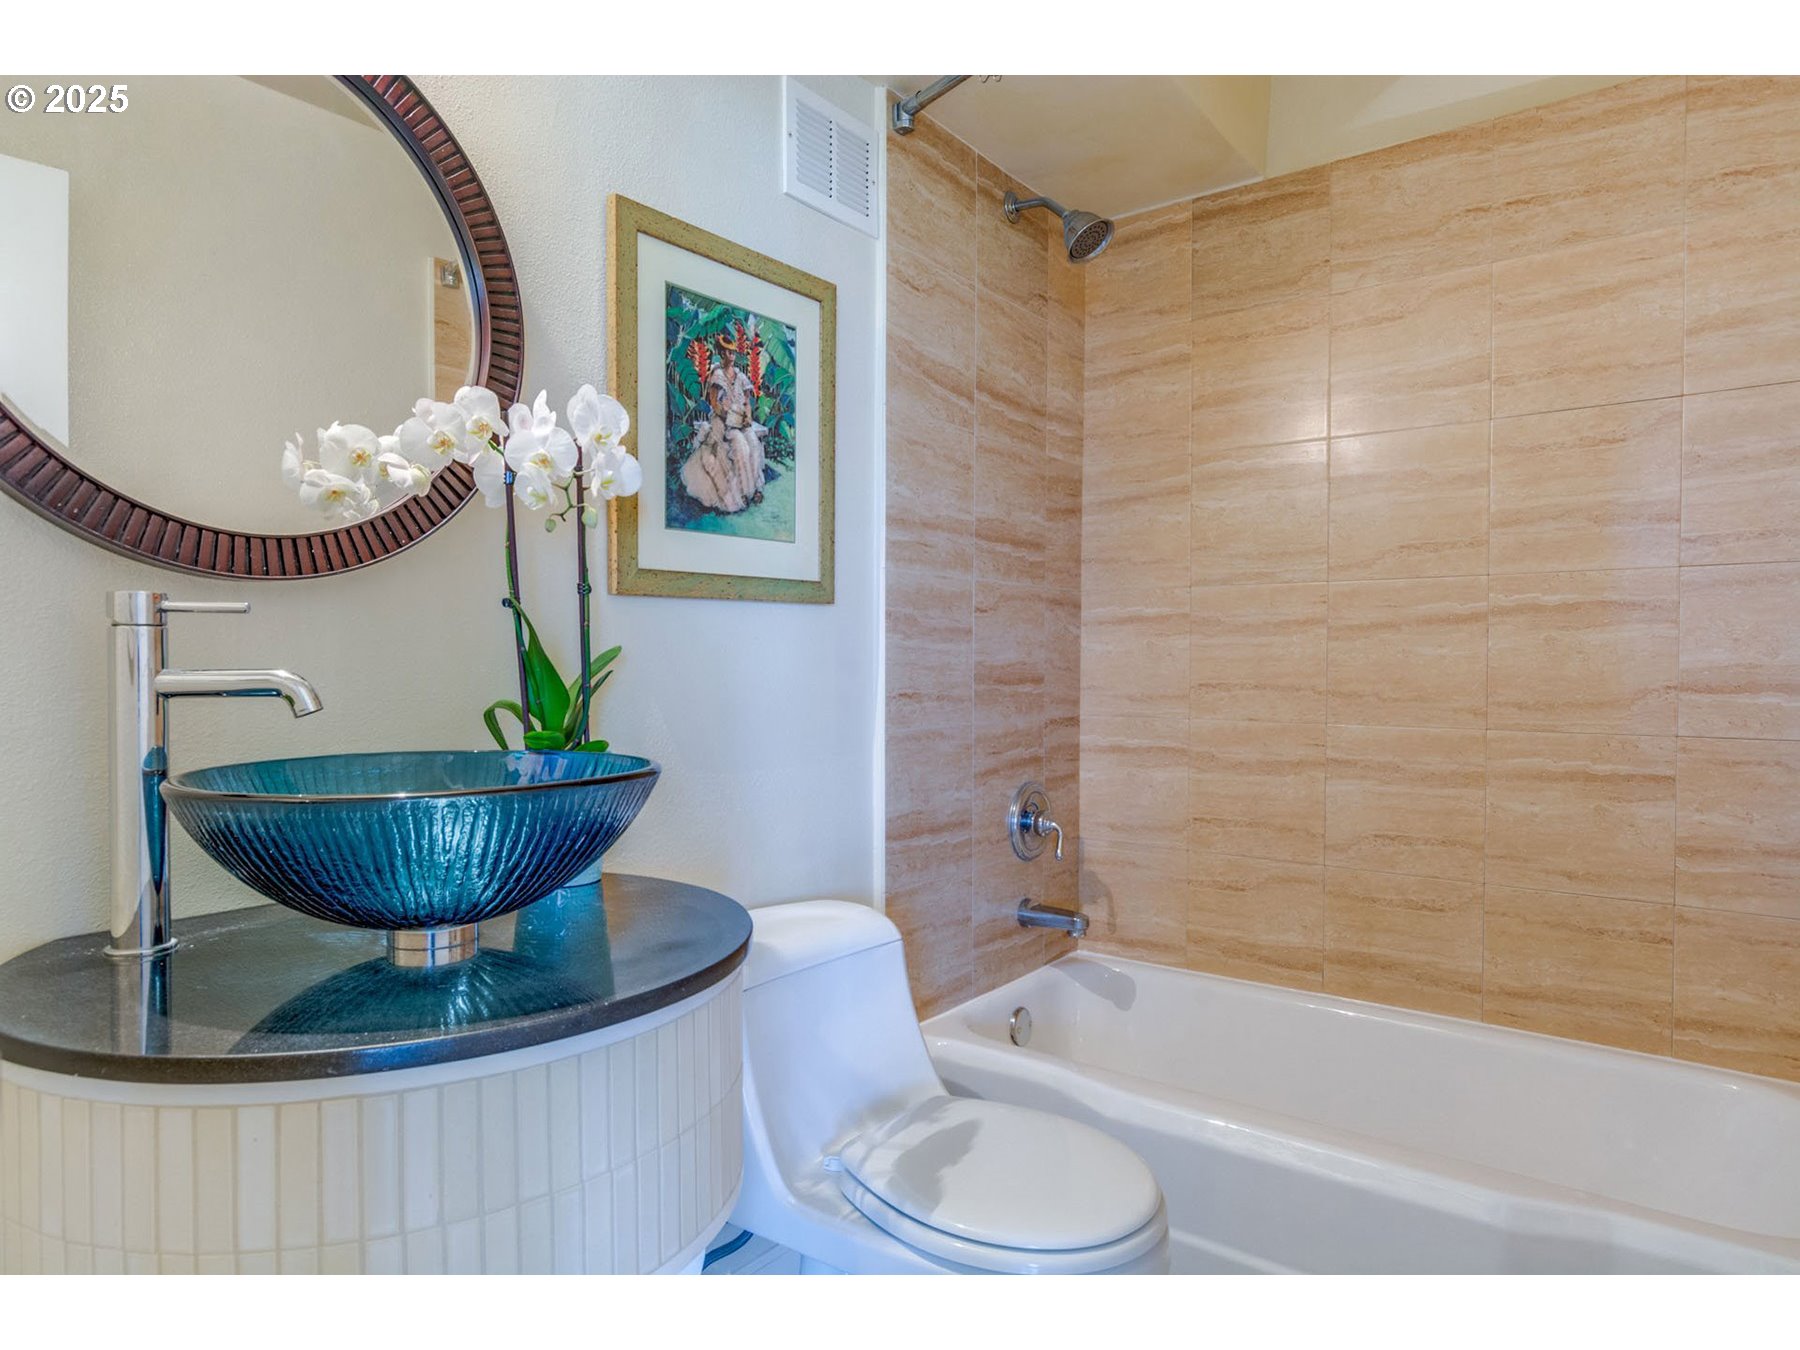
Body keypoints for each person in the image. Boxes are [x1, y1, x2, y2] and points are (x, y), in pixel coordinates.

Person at [681, 329, 766, 514]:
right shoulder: (717, 375)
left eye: (733, 352)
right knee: (741, 446)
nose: (731, 355)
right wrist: (729, 416)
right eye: (728, 352)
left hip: (741, 420)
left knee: (753, 444)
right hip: (723, 421)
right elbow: (714, 403)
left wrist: (747, 416)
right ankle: (744, 492)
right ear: (721, 354)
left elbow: (747, 401)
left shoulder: (740, 376)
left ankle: (755, 488)